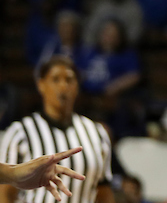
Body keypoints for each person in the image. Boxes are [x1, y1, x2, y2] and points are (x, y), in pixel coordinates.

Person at [0, 56, 112, 202]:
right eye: (55, 79)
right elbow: (5, 194)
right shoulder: (20, 132)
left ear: (77, 86)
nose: (63, 86)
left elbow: (104, 191)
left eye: (69, 80)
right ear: (41, 84)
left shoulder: (97, 133)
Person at [0, 149, 85, 202]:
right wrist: (12, 174)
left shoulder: (93, 129)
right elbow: (4, 193)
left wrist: (12, 174)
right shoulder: (19, 130)